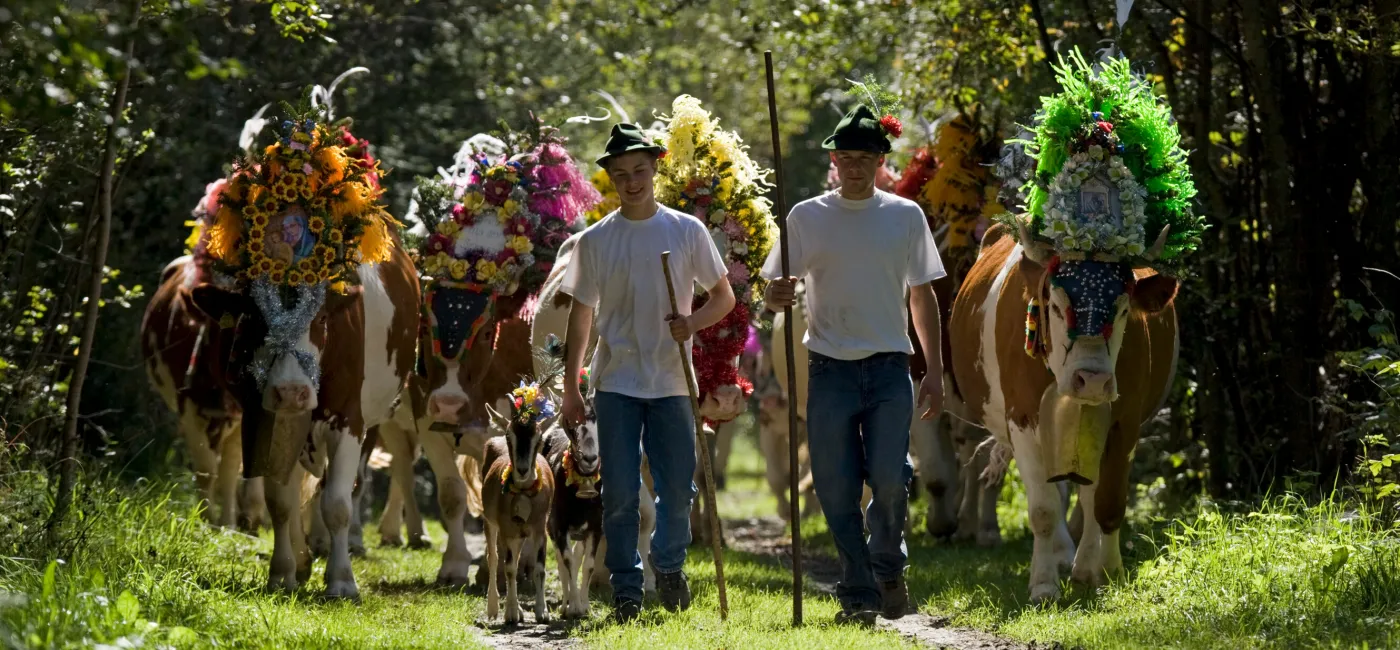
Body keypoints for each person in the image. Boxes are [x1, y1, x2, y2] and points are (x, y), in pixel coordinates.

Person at [762, 104, 945, 627]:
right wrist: (776, 294)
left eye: (865, 157)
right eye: (845, 157)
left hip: (890, 366)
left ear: (882, 160)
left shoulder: (904, 216)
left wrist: (932, 369)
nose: (855, 166)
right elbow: (776, 292)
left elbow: (922, 295)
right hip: (829, 368)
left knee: (890, 478)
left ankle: (888, 567)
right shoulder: (805, 216)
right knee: (836, 487)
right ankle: (858, 590)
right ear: (834, 162)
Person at [559, 123, 736, 624]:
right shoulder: (595, 241)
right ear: (610, 178)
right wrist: (572, 388)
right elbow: (581, 316)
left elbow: (723, 297)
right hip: (616, 382)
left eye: (639, 170)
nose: (632, 181)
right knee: (617, 492)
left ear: (655, 168)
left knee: (677, 488)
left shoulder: (686, 230)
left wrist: (691, 323)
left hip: (673, 382)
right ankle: (627, 588)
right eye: (621, 174)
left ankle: (671, 565)